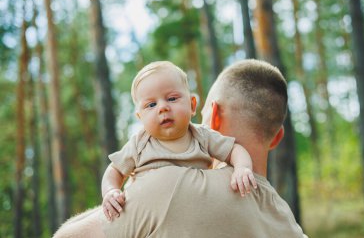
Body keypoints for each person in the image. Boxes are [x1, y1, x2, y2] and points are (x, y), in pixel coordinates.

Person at [53, 59, 307, 238]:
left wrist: (131, 194)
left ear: (214, 116)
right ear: (277, 137)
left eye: (173, 100)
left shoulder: (167, 186)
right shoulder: (287, 222)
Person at [101, 61, 256, 221]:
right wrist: (110, 191)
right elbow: (115, 170)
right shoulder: (139, 143)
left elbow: (234, 149)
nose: (163, 107)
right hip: (148, 220)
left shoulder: (201, 136)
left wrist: (242, 168)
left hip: (192, 217)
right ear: (140, 117)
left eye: (172, 99)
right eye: (151, 104)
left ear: (192, 104)